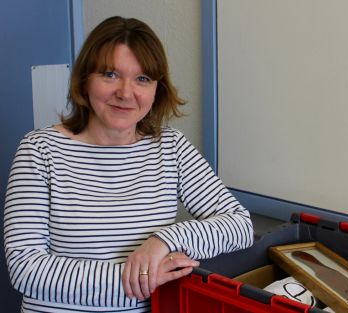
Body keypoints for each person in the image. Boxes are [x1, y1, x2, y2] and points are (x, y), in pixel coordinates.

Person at [3, 16, 254, 312]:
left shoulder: (171, 146)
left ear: (156, 89)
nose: (125, 92)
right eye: (110, 74)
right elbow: (25, 268)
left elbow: (240, 226)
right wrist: (136, 276)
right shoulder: (39, 150)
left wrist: (164, 240)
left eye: (142, 79)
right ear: (85, 80)